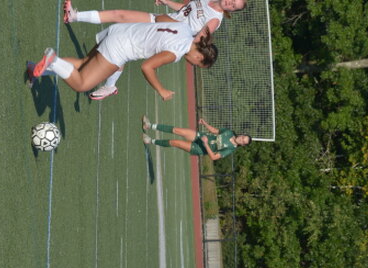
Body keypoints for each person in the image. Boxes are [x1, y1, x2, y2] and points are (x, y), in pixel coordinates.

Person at [62, 0, 247, 100]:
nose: (230, 3)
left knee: (124, 45)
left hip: (169, 33)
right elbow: (185, 9)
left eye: (234, 6)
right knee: (120, 18)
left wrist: (173, 40)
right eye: (233, 0)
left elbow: (196, 43)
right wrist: (167, 2)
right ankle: (74, 16)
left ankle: (109, 85)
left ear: (232, 11)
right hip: (164, 22)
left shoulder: (214, 20)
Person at [30, 23, 217, 102]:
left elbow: (157, 21)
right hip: (119, 48)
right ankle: (53, 60)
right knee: (82, 84)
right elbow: (147, 67)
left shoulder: (185, 28)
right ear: (200, 57)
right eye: (197, 64)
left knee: (84, 63)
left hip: (120, 31)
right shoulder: (177, 52)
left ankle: (35, 69)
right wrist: (161, 90)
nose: (192, 64)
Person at [142, 116, 251, 160]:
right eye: (243, 137)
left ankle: (150, 141)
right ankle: (149, 125)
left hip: (200, 148)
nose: (241, 139)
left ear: (242, 145)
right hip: (200, 136)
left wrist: (206, 144)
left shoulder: (230, 149)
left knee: (174, 142)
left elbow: (213, 157)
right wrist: (205, 123)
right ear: (242, 135)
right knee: (177, 130)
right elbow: (215, 131)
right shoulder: (229, 132)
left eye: (243, 141)